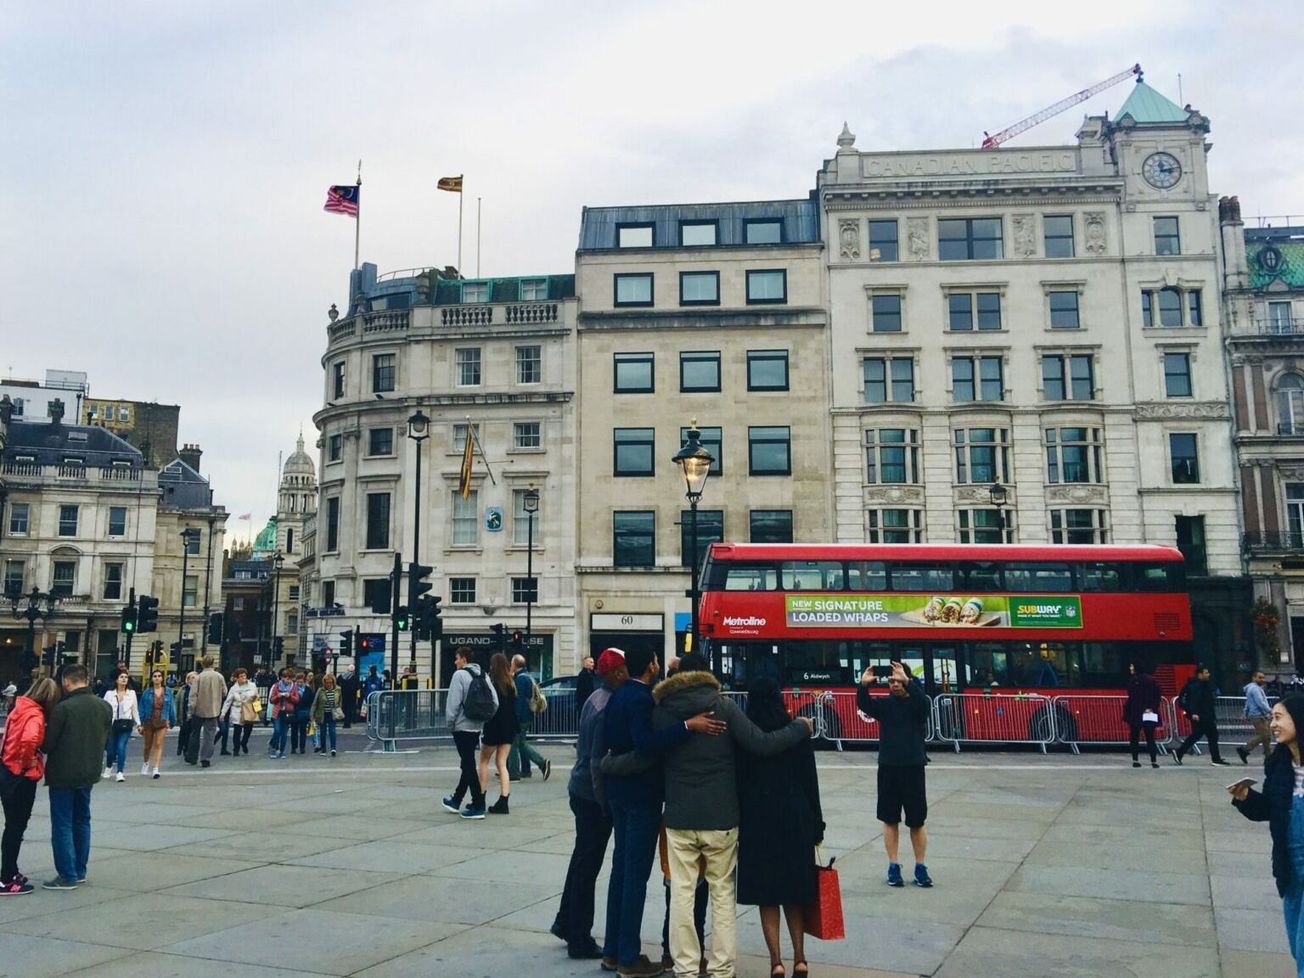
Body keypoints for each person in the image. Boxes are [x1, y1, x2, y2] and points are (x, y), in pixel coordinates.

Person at [617, 653, 812, 978]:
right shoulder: (722, 706)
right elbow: (760, 743)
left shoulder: (663, 709)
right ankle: (722, 967)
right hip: (721, 815)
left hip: (679, 815)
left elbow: (648, 751)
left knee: (681, 892)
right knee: (721, 892)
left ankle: (685, 966)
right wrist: (799, 728)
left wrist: (609, 764)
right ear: (708, 673)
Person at [600, 647, 725, 978]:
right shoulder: (641, 699)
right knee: (635, 877)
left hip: (618, 794)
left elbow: (609, 744)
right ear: (651, 665)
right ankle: (628, 956)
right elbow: (646, 743)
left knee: (620, 871)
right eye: (656, 660)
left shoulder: (616, 695)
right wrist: (688, 726)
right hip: (641, 795)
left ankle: (612, 950)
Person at [737, 677, 824, 978]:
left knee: (767, 895)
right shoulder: (797, 729)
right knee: (794, 892)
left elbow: (739, 781)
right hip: (795, 815)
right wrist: (817, 822)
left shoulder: (745, 734)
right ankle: (800, 957)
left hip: (758, 818)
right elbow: (809, 780)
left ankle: (775, 961)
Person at [553, 649, 625, 959]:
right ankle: (579, 937)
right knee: (587, 864)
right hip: (591, 793)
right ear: (617, 673)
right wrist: (603, 801)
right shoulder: (607, 706)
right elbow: (598, 761)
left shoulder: (594, 699)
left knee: (581, 858)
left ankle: (566, 922)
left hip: (579, 788)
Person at [1230, 695, 1304, 971]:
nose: (1273, 723)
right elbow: (1269, 810)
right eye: (1272, 717)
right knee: (1297, 948)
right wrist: (1245, 797)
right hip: (1291, 868)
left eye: (1279, 717)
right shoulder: (1278, 765)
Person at [858, 660, 933, 888]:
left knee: (917, 820)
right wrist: (863, 686)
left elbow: (925, 705)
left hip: (913, 766)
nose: (895, 685)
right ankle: (893, 865)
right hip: (889, 767)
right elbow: (865, 705)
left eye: (898, 680)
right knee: (890, 818)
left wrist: (908, 681)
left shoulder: (917, 704)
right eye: (891, 681)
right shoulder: (885, 705)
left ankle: (920, 866)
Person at [42, 665, 112, 890]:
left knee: (62, 823)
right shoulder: (104, 706)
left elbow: (48, 744)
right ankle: (79, 870)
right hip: (89, 771)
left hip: (63, 773)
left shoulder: (63, 708)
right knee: (82, 820)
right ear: (86, 679)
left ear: (66, 681)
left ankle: (67, 874)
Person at [1, 677, 59, 895]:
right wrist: (29, 764)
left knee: (12, 827)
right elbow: (28, 741)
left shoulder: (19, 708)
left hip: (7, 770)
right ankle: (6, 878)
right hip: (21, 776)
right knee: (16, 827)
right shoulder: (36, 715)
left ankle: (10, 870)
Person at [442, 646, 498, 820]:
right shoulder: (483, 675)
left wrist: (450, 723)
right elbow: (494, 701)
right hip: (476, 725)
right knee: (467, 762)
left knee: (467, 765)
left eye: (457, 658)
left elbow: (453, 703)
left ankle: (478, 804)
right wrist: (484, 719)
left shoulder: (459, 675)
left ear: (464, 659)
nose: (455, 661)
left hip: (461, 726)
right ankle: (456, 799)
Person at [480, 653, 519, 815]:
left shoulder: (491, 682)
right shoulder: (510, 683)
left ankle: (480, 797)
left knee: (483, 760)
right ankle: (504, 799)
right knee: (502, 763)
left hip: (494, 725)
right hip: (509, 726)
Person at [1174, 664, 1230, 766]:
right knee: (1209, 736)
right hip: (1202, 715)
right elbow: (1195, 701)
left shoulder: (1203, 685)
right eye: (1206, 673)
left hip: (1205, 714)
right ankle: (1215, 759)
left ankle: (1180, 752)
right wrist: (1193, 713)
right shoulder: (1197, 686)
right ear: (1200, 674)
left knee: (1199, 735)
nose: (1208, 674)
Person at [509, 654, 551, 782]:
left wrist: (515, 718)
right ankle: (526, 770)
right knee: (521, 743)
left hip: (521, 717)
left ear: (515, 665)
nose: (511, 666)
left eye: (511, 663)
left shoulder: (520, 679)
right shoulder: (527, 676)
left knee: (514, 744)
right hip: (527, 715)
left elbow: (519, 701)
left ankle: (516, 773)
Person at [137, 669, 175, 779]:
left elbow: (172, 707)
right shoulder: (147, 692)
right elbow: (142, 707)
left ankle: (156, 768)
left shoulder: (168, 692)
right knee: (147, 746)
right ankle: (145, 762)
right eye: (155, 676)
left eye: (159, 676)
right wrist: (140, 723)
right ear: (152, 679)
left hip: (162, 720)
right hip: (148, 720)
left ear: (162, 678)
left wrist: (172, 720)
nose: (157, 678)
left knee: (158, 744)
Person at [101, 671, 139, 783]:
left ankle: (120, 772)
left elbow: (134, 709)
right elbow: (104, 709)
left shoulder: (131, 693)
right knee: (111, 750)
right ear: (117, 680)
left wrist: (139, 723)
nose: (124, 679)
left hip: (126, 723)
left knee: (121, 747)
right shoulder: (109, 693)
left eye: (126, 677)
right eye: (121, 677)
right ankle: (108, 767)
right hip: (112, 724)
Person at [1123, 662, 1162, 769]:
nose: (1130, 668)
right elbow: (1157, 695)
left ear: (1135, 668)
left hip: (1135, 712)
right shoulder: (1151, 680)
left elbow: (1132, 696)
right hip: (1149, 711)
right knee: (1150, 737)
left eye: (1131, 666)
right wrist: (1151, 707)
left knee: (1135, 737)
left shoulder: (1133, 681)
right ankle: (1153, 761)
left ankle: (1135, 760)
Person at [191, 656, 227, 769]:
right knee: (209, 736)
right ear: (213, 663)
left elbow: (193, 695)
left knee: (195, 733)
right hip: (213, 709)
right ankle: (205, 758)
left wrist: (191, 709)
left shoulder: (199, 677)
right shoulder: (219, 676)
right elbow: (224, 692)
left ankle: (192, 755)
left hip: (199, 709)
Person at [220, 668, 259, 756]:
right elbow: (228, 702)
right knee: (237, 731)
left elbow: (256, 698)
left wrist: (257, 710)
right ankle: (236, 749)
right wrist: (223, 713)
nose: (243, 678)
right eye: (241, 676)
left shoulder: (252, 685)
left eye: (244, 676)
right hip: (237, 710)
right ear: (237, 678)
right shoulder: (234, 688)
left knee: (248, 729)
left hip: (249, 710)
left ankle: (244, 742)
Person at [1240, 670, 1274, 765]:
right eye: (1260, 677)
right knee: (1264, 736)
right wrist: (1271, 711)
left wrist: (1245, 713)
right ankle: (1245, 749)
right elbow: (1260, 703)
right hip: (1259, 715)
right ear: (1254, 678)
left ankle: (1268, 757)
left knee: (1266, 736)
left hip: (1259, 715)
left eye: (1263, 677)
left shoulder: (1253, 688)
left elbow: (1248, 702)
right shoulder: (1255, 689)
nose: (1262, 679)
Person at [268, 668, 300, 759]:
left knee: (284, 733)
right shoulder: (277, 686)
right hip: (278, 711)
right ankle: (274, 748)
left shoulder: (293, 687)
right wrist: (277, 696)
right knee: (277, 730)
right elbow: (271, 699)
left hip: (288, 712)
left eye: (289, 678)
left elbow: (297, 699)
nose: (288, 680)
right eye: (286, 678)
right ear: (282, 678)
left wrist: (289, 696)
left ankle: (282, 751)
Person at [312, 672, 342, 757]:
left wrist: (338, 711)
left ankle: (333, 748)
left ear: (333, 682)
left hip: (332, 713)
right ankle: (323, 749)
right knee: (323, 731)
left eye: (330, 682)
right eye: (327, 682)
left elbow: (340, 701)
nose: (328, 684)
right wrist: (312, 715)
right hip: (322, 713)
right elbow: (315, 702)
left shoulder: (338, 689)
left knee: (332, 731)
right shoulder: (320, 690)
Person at [175, 671, 197, 760]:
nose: (194, 679)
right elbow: (178, 702)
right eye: (192, 677)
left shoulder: (199, 689)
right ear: (188, 680)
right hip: (184, 715)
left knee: (192, 734)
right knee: (184, 732)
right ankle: (182, 747)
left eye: (196, 677)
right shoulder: (183, 689)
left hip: (194, 715)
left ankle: (189, 751)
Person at [291, 672, 315, 755]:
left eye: (301, 682)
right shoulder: (292, 689)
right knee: (294, 730)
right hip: (294, 712)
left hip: (304, 712)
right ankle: (294, 747)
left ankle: (302, 747)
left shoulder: (308, 690)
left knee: (303, 730)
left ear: (304, 681)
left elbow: (311, 701)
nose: (299, 683)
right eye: (298, 682)